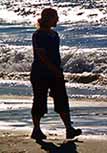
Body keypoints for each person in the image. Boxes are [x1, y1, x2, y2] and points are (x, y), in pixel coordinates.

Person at [30, 8, 82, 140]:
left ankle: (69, 129)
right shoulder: (38, 35)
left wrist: (57, 71)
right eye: (55, 17)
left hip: (55, 72)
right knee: (39, 101)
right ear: (47, 18)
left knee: (62, 100)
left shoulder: (54, 34)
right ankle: (36, 129)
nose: (57, 19)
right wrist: (54, 69)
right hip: (40, 72)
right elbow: (41, 55)